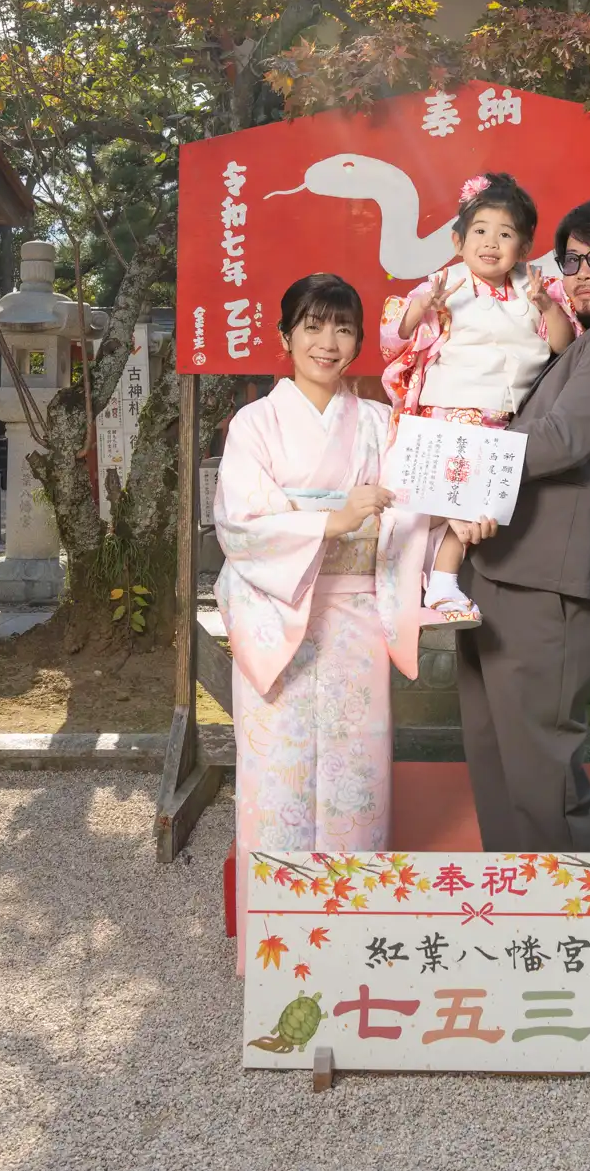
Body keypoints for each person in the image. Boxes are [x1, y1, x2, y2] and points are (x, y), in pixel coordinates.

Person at [448, 195, 590, 852]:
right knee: (496, 757)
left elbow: (560, 439)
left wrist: (451, 459)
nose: (581, 273)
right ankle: (517, 902)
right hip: (504, 567)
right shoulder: (584, 340)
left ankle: (571, 911)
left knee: (540, 769)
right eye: (571, 261)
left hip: (550, 582)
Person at [213, 274, 414, 971]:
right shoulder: (255, 424)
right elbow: (241, 522)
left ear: (359, 341)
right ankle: (278, 946)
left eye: (343, 328)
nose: (328, 342)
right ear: (285, 336)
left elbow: (413, 510)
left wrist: (453, 516)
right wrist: (335, 516)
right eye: (312, 325)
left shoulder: (381, 422)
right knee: (277, 776)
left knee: (358, 774)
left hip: (357, 612)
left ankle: (356, 944)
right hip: (278, 615)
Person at [380, 172, 576, 630]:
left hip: (505, 418)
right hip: (448, 409)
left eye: (505, 234)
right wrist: (423, 305)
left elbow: (564, 346)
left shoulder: (537, 287)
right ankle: (412, 586)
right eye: (480, 231)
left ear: (524, 247)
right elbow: (395, 337)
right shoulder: (443, 283)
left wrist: (547, 306)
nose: (491, 242)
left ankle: (443, 581)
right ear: (458, 240)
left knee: (479, 506)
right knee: (444, 501)